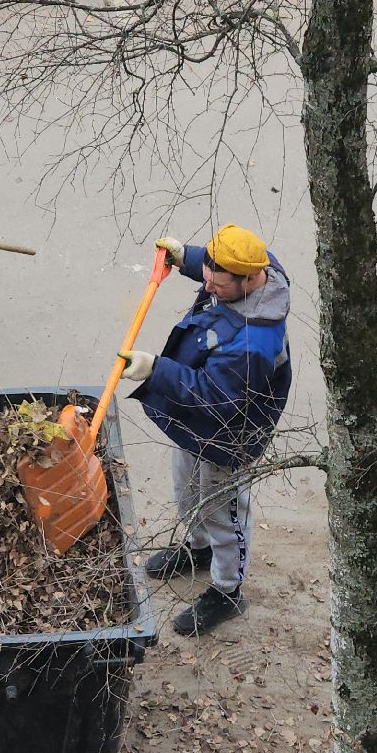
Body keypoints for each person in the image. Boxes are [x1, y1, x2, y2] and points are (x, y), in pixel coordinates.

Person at [119, 225, 292, 635]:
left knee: (223, 513)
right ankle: (198, 550)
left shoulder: (255, 343)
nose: (209, 280)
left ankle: (227, 590)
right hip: (194, 422)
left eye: (219, 277)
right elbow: (212, 264)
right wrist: (186, 257)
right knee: (187, 491)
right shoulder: (255, 267)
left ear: (250, 280)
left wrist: (155, 370)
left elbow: (214, 396)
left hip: (227, 435)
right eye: (209, 268)